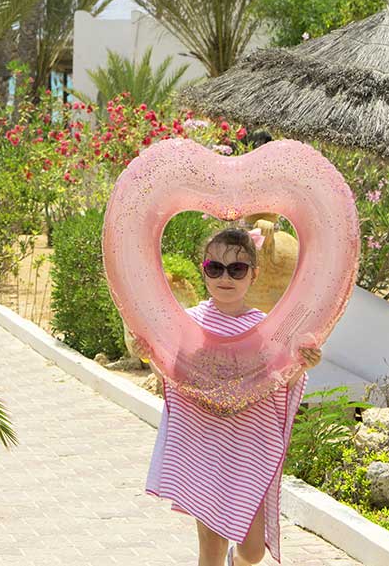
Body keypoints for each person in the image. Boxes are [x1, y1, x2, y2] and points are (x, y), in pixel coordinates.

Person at [134, 228, 322, 566]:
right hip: (205, 449)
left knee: (253, 551)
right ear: (203, 270)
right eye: (215, 268)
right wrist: (150, 356)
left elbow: (277, 383)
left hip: (247, 450)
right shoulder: (189, 323)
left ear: (253, 275)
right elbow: (174, 377)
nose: (225, 278)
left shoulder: (265, 329)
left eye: (237, 269)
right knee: (211, 550)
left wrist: (301, 364)